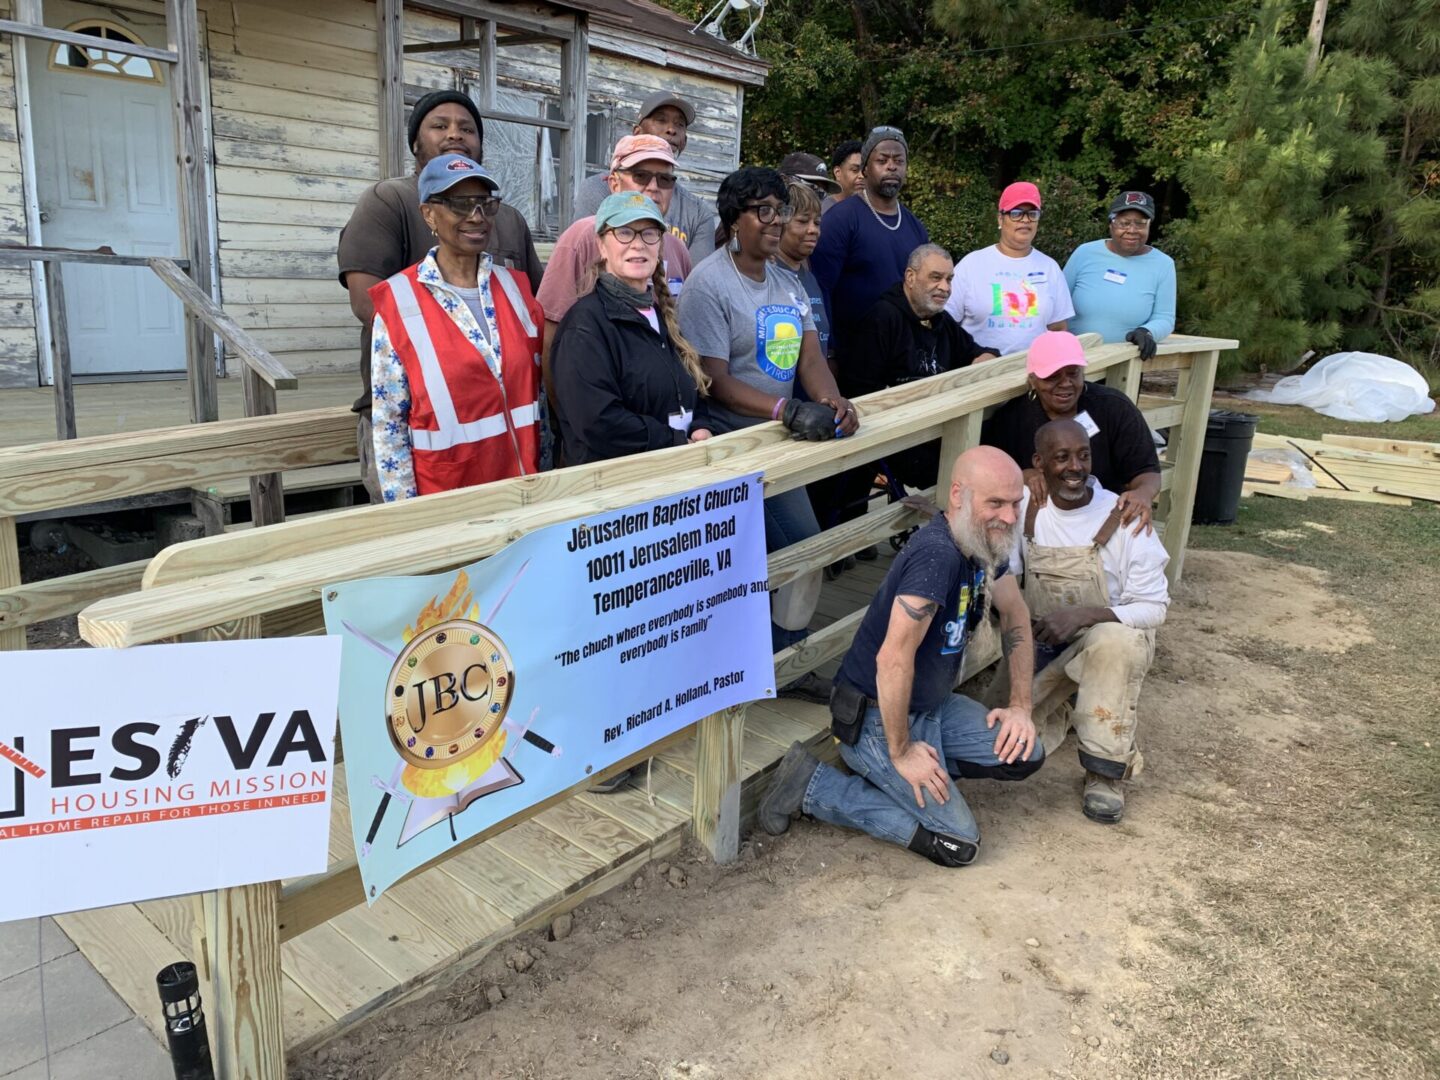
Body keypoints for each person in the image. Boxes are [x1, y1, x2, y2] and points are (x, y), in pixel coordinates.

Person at [758, 446, 1043, 866]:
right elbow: (892, 659)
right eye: (995, 503)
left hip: (932, 707)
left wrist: (1020, 705)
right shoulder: (937, 557)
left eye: (1016, 503)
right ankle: (812, 785)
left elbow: (1016, 613)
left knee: (1025, 752)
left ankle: (915, 780)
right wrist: (903, 751)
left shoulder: (984, 540)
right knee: (958, 845)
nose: (1008, 516)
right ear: (958, 496)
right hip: (875, 717)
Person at [678, 167, 859, 701]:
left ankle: (783, 659)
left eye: (781, 209)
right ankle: (777, 662)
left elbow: (808, 354)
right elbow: (713, 379)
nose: (776, 221)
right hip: (735, 441)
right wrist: (785, 409)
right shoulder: (708, 284)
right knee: (789, 548)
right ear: (735, 219)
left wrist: (830, 400)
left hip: (786, 434)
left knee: (797, 551)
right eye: (764, 210)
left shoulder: (787, 280)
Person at [339, 90, 543, 501]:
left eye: (485, 204)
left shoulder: (512, 273)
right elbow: (391, 416)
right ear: (429, 213)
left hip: (516, 472)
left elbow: (534, 361)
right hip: (435, 470)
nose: (475, 215)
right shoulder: (387, 203)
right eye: (459, 203)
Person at [1003, 418, 1169, 823]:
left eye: (1083, 455)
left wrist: (1084, 614)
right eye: (1061, 458)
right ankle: (1066, 708)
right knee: (999, 750)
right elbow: (1002, 573)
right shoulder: (1028, 509)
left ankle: (1104, 772)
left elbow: (1155, 607)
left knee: (1118, 642)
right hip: (1043, 643)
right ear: (1038, 463)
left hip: (1103, 643)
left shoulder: (1127, 517)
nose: (1075, 467)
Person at [538, 135, 694, 422]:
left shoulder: (677, 248)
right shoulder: (581, 237)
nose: (653, 187)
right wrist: (565, 422)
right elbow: (550, 339)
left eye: (665, 179)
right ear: (614, 183)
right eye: (641, 175)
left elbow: (676, 340)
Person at [551, 192, 711, 465]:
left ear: (659, 245)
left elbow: (691, 392)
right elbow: (598, 422)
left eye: (649, 233)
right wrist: (673, 442)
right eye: (624, 233)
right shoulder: (585, 326)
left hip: (672, 477)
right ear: (602, 245)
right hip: (616, 490)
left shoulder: (663, 318)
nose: (638, 244)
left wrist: (701, 426)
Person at [834, 244, 999, 498]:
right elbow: (860, 391)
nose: (945, 287)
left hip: (940, 430)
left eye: (949, 279)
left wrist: (984, 360)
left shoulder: (941, 321)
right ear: (911, 277)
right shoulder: (882, 319)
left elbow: (979, 352)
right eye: (936, 277)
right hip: (897, 436)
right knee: (973, 473)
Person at [983, 330, 1161, 532]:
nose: (1065, 383)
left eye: (1073, 373)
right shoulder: (1012, 418)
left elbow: (1146, 470)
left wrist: (1143, 493)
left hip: (1104, 520)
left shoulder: (1113, 408)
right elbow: (990, 474)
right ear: (1033, 379)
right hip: (1034, 525)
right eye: (1052, 377)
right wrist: (1023, 475)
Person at [809, 126, 928, 359]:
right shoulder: (840, 220)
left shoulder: (915, 227)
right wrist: (829, 352)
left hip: (902, 353)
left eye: (899, 160)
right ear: (865, 169)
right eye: (882, 160)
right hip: (851, 355)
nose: (891, 166)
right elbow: (820, 289)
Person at [573, 91, 717, 263]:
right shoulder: (598, 189)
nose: (671, 129)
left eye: (679, 124)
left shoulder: (699, 213)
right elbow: (586, 263)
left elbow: (694, 284)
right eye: (660, 120)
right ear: (637, 133)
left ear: (684, 142)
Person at [945, 181, 1074, 359]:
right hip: (981, 374)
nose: (1025, 220)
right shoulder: (972, 265)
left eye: (1032, 213)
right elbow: (945, 323)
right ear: (1000, 218)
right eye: (1016, 213)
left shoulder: (1050, 267)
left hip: (1035, 375)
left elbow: (1058, 328)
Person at [1063, 191, 1176, 362]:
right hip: (1072, 358)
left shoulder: (1163, 264)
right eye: (1124, 223)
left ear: (1149, 226)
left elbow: (1165, 318)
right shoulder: (1085, 253)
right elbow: (1058, 302)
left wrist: (1147, 331)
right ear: (1111, 224)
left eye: (1140, 223)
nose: (1132, 230)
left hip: (1125, 361)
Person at [773, 178, 830, 361]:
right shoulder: (767, 276)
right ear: (780, 222)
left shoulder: (810, 278)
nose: (813, 230)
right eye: (803, 221)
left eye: (817, 223)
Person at [821, 139, 863, 213]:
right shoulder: (824, 212)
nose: (862, 176)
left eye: (865, 170)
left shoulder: (874, 209)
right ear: (838, 172)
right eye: (855, 170)